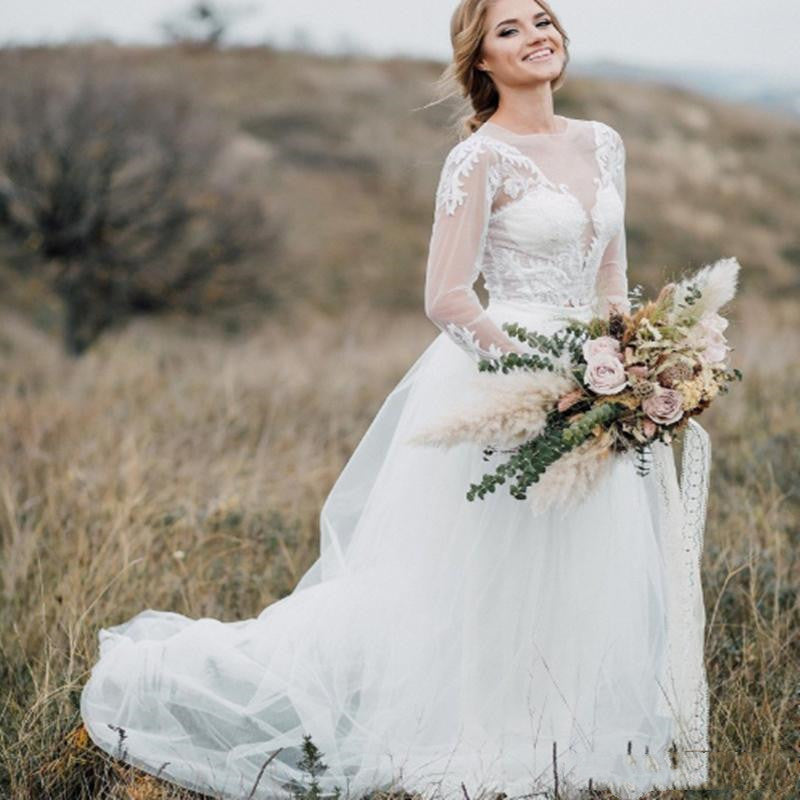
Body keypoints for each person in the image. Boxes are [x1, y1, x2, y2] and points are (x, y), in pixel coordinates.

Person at [80, 1, 712, 798]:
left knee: (583, 564)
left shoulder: (604, 143)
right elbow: (448, 299)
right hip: (513, 387)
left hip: (601, 384)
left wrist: (636, 356)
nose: (535, 36)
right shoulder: (479, 160)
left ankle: (567, 736)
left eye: (542, 18)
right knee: (487, 573)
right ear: (480, 61)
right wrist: (542, 383)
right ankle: (482, 738)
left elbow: (613, 274)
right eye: (508, 30)